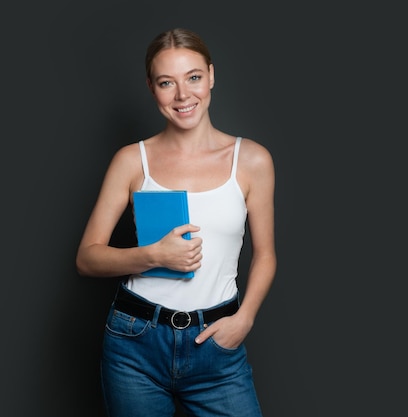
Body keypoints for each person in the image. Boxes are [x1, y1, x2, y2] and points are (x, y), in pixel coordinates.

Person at [76, 28, 276, 417]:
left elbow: (266, 255)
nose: (183, 95)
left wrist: (245, 319)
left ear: (211, 76)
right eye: (167, 83)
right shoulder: (132, 161)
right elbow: (87, 258)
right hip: (134, 343)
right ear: (152, 89)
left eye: (194, 78)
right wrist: (153, 255)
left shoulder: (252, 160)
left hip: (216, 345)